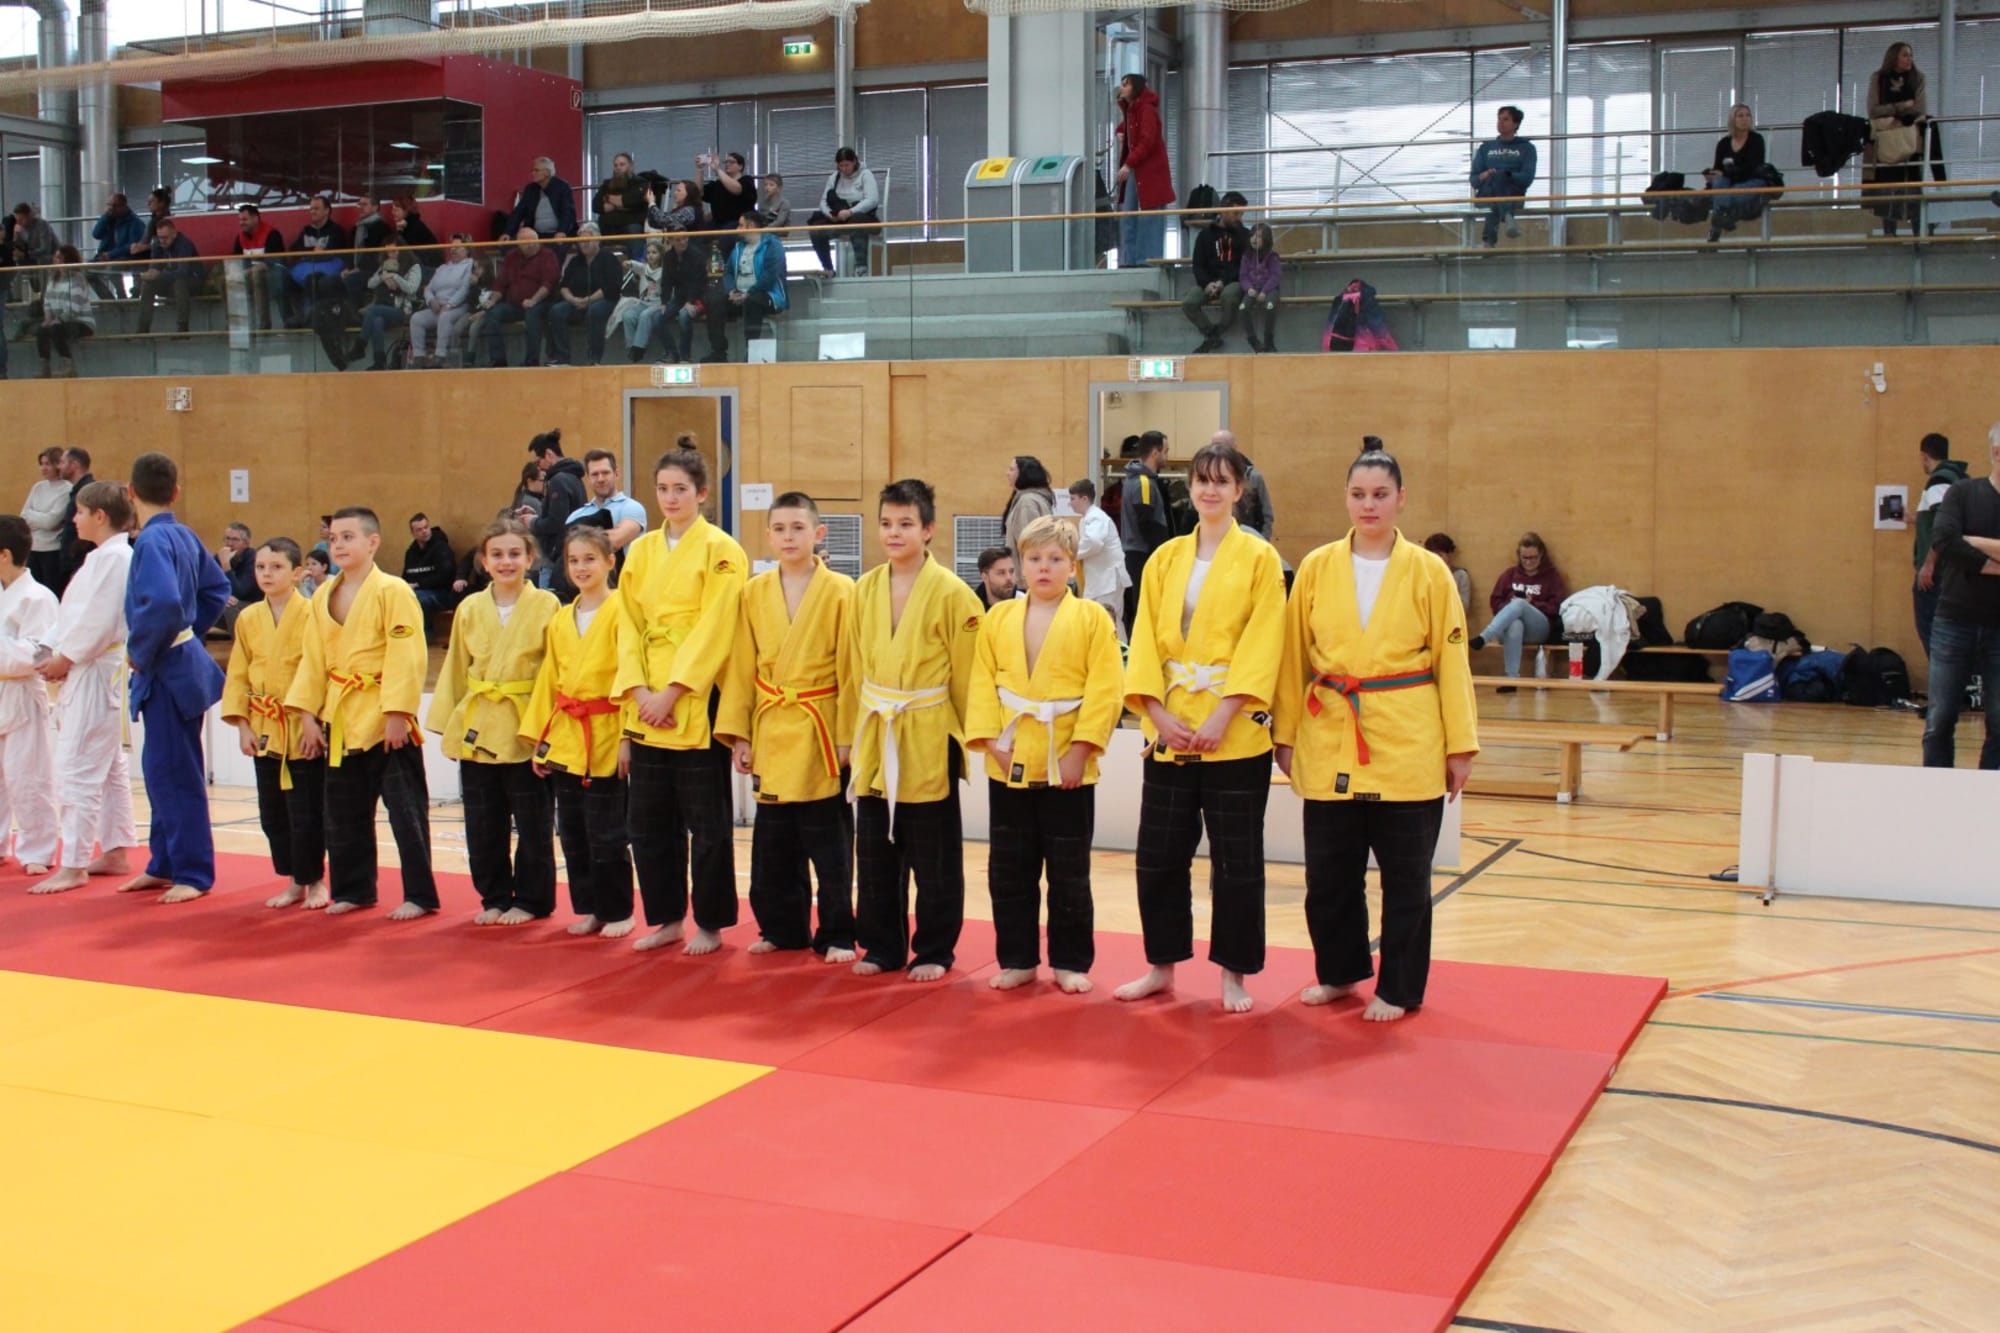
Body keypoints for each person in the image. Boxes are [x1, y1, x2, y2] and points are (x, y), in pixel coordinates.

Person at [1275, 449, 1478, 1022]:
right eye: (1359, 494)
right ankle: (1339, 973)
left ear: (1401, 499)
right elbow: (1293, 657)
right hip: (1331, 731)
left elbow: (1453, 661)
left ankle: (1400, 987)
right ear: (1346, 498)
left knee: (1406, 879)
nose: (1369, 505)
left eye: (1380, 495)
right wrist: (1285, 733)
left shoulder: (1429, 571)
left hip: (1407, 738)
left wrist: (1460, 746)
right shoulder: (1316, 567)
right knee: (1329, 876)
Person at [1114, 439, 1286, 1014]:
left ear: (1240, 491)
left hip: (1234, 733)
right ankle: (1160, 966)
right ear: (1189, 488)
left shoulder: (1260, 559)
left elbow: (1265, 641)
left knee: (1237, 860)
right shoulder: (1165, 559)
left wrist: (1224, 713)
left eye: (1221, 481)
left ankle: (1234, 973)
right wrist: (1155, 714)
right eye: (1202, 480)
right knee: (1159, 854)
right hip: (1170, 729)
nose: (1210, 490)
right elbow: (1143, 640)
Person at [965, 514, 1124, 993]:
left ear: (1073, 567)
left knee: (1069, 871)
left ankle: (1070, 962)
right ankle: (1018, 958)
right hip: (1011, 758)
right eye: (1034, 558)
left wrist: (1082, 750)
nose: (1044, 567)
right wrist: (991, 742)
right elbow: (981, 682)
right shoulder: (999, 618)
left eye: (1056, 559)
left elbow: (1106, 689)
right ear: (1020, 564)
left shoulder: (1092, 618)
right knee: (1009, 870)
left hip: (1067, 761)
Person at [846, 478, 984, 982]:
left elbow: (969, 675)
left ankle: (934, 949)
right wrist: (849, 736)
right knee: (875, 851)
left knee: (933, 855)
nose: (894, 532)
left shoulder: (953, 594)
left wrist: (968, 738)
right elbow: (852, 670)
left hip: (929, 731)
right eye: (886, 523)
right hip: (876, 728)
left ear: (928, 529)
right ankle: (882, 944)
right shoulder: (863, 589)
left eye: (905, 523)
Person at [614, 442, 749, 954]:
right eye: (662, 489)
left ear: (702, 493)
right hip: (646, 696)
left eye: (681, 489)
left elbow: (718, 626)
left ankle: (710, 923)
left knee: (706, 824)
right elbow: (627, 623)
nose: (671, 498)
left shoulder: (722, 550)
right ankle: (667, 918)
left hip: (696, 695)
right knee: (648, 822)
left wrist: (673, 691)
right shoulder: (641, 551)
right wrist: (640, 690)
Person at [715, 492, 858, 959]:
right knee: (773, 843)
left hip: (821, 727)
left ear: (818, 534)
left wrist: (847, 737)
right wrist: (740, 734)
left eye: (798, 528)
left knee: (830, 846)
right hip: (772, 725)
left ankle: (837, 933)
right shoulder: (753, 592)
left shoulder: (842, 590)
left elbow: (851, 670)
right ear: (769, 536)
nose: (789, 537)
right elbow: (741, 665)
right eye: (779, 529)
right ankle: (782, 928)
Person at [285, 506, 440, 919]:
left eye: (348, 537)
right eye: (334, 538)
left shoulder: (393, 591)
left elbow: (408, 654)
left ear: (373, 542)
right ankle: (354, 890)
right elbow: (313, 659)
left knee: (406, 813)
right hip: (340, 718)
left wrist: (398, 713)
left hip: (386, 718)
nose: (338, 545)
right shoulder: (322, 596)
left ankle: (419, 895)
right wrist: (307, 716)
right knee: (344, 812)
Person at [427, 516, 560, 925]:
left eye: (515, 554)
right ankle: (494, 896)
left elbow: (555, 673)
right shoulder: (469, 608)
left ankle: (532, 900)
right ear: (483, 562)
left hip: (527, 725)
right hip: (479, 725)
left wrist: (548, 734)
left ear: (530, 559)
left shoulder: (548, 605)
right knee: (483, 822)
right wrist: (449, 728)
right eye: (497, 554)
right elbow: (455, 668)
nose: (506, 562)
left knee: (534, 823)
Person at [116, 454, 233, 903]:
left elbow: (164, 604)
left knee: (174, 771)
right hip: (179, 661)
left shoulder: (150, 541)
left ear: (130, 492)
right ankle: (164, 862)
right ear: (176, 492)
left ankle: (193, 871)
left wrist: (142, 649)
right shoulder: (182, 534)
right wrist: (188, 633)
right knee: (161, 768)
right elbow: (217, 589)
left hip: (167, 667)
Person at [520, 525, 636, 938]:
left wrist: (627, 737)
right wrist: (541, 740)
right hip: (567, 733)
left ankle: (619, 910)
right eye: (573, 561)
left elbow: (632, 675)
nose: (581, 567)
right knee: (571, 830)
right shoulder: (561, 619)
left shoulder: (624, 611)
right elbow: (549, 680)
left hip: (607, 731)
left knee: (608, 832)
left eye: (590, 559)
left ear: (610, 562)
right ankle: (590, 907)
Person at [29, 480, 141, 896]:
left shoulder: (117, 559)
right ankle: (115, 850)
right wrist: (50, 650)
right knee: (108, 767)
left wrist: (66, 656)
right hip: (88, 665)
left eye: (78, 511)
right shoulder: (101, 558)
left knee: (76, 765)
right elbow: (72, 615)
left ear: (100, 515)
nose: (73, 519)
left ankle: (74, 863)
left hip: (96, 669)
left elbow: (100, 621)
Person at [220, 537, 327, 910]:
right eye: (261, 567)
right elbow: (238, 673)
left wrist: (312, 719)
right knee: (273, 814)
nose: (266, 574)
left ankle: (315, 881)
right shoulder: (248, 618)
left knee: (306, 811)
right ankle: (294, 880)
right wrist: (242, 725)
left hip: (300, 726)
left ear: (297, 573)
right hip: (264, 726)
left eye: (276, 567)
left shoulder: (313, 614)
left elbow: (318, 670)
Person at [1921, 422, 2000, 770]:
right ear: (1997, 453)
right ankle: (1937, 792)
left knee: (1999, 722)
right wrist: (1991, 562)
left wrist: (1974, 540)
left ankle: (1990, 792)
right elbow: (1944, 540)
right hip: (1954, 621)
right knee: (1940, 719)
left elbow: (1959, 541)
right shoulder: (1963, 492)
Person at [0, 514, 58, 876]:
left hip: (22, 693)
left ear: (4, 554)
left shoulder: (38, 597)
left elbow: (39, 654)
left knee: (28, 775)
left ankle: (38, 847)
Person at [1470, 532, 1567, 685]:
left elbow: (1557, 608)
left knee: (1520, 604)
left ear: (1541, 555)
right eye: (1524, 558)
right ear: (1519, 555)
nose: (1528, 562)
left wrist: (1532, 604)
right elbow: (1495, 603)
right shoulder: (1509, 575)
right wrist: (1510, 605)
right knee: (1515, 623)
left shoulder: (1552, 576)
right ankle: (1512, 679)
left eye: (1533, 558)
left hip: (1539, 629)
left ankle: (1485, 636)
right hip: (1508, 629)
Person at [702, 211, 787, 363]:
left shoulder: (773, 245)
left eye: (740, 225)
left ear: (751, 226)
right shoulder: (738, 247)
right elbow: (728, 272)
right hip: (739, 294)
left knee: (752, 301)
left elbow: (770, 275)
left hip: (767, 295)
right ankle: (718, 351)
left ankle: (751, 352)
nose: (737, 229)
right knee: (714, 300)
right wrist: (731, 291)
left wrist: (748, 293)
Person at [1914, 432, 1968, 658]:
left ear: (1924, 456)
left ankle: (1943, 679)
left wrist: (1929, 564)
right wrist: (1914, 518)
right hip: (1954, 570)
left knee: (1932, 631)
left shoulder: (1938, 481)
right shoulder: (1959, 479)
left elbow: (1944, 526)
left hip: (1937, 572)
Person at [1868, 43, 1929, 237]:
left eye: (1911, 55)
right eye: (1905, 55)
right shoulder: (1878, 78)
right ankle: (1889, 233)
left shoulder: (1918, 78)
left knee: (1913, 186)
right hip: (1887, 142)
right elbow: (1873, 110)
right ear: (1894, 57)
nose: (1909, 59)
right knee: (1888, 187)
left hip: (1911, 140)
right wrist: (1901, 107)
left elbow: (1920, 109)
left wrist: (1897, 117)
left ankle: (1918, 234)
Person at [1113, 73, 1174, 268]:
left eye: (1126, 85)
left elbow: (1147, 140)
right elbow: (1130, 127)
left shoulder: (1146, 110)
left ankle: (1145, 261)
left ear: (1136, 88)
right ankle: (1130, 260)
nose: (1122, 88)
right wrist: (1120, 131)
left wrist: (1128, 163)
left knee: (1148, 217)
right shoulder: (1133, 110)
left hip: (1147, 172)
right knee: (1129, 216)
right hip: (1138, 169)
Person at [546, 222, 623, 366]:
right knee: (556, 311)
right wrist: (572, 299)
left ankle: (594, 359)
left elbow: (611, 286)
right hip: (577, 301)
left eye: (587, 241)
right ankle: (562, 358)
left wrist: (589, 300)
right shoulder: (575, 261)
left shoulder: (608, 258)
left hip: (603, 300)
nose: (583, 244)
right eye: (581, 241)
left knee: (595, 311)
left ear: (597, 239)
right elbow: (564, 285)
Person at [1182, 192, 1249, 355]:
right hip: (1208, 282)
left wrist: (1222, 282)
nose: (1239, 218)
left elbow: (1244, 266)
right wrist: (1206, 284)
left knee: (1229, 296)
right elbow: (1198, 265)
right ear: (1223, 211)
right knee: (1189, 302)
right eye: (1235, 213)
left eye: (1241, 214)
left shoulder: (1245, 235)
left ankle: (1217, 332)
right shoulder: (1205, 235)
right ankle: (1211, 335)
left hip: (1233, 281)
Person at [482, 228, 559, 368]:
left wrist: (533, 300)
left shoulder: (548, 255)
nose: (531, 245)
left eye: (533, 241)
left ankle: (531, 361)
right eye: (526, 243)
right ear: (518, 244)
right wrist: (492, 300)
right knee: (492, 312)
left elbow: (548, 284)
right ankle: (498, 360)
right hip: (515, 305)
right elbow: (500, 283)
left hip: (541, 302)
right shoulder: (512, 256)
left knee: (532, 313)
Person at [1120, 431, 1174, 626]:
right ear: (1155, 453)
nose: (1167, 456)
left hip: (1138, 553)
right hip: (1141, 554)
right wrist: (1162, 555)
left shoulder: (1141, 480)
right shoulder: (1142, 483)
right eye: (1165, 451)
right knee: (1144, 607)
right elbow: (1147, 522)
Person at [527, 430, 588, 597]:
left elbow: (557, 522)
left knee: (548, 605)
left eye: (538, 461)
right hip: (568, 551)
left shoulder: (558, 480)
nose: (538, 467)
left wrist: (532, 522)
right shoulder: (574, 478)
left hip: (555, 558)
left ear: (548, 454)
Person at [1068, 479, 1131, 641]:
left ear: (1084, 499)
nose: (1070, 503)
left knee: (1108, 617)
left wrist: (1070, 553)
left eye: (1073, 498)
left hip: (1108, 579)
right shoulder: (1088, 518)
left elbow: (1094, 542)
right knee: (1101, 616)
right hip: (1102, 578)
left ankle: (1120, 651)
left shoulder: (1096, 517)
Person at [566, 450, 648, 568]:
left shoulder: (631, 507)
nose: (600, 479)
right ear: (588, 478)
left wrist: (579, 539)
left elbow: (614, 541)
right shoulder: (575, 516)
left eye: (605, 473)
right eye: (595, 474)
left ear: (616, 474)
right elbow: (566, 551)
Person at [807, 147, 881, 276]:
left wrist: (850, 212)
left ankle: (861, 267)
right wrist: (830, 214)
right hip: (838, 218)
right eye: (841, 166)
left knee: (856, 223)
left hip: (861, 217)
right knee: (816, 229)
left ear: (854, 162)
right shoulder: (834, 177)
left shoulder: (866, 175)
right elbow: (823, 202)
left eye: (847, 165)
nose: (844, 169)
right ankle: (828, 269)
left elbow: (872, 200)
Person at [1472, 106, 1537, 248]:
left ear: (1516, 124)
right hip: (1486, 193)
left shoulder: (1527, 148)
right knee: (1495, 181)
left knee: (1499, 181)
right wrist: (1486, 174)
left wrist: (1507, 175)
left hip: (1512, 195)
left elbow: (1527, 178)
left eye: (1506, 119)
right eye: (1499, 119)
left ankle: (1488, 242)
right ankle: (1507, 216)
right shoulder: (1485, 148)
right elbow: (1474, 180)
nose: (1500, 123)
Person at [1704, 105, 1770, 243]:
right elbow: (1718, 168)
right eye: (1740, 116)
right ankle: (1723, 217)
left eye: (1747, 115)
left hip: (1751, 181)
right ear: (1732, 120)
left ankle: (1716, 228)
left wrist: (1726, 173)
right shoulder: (1723, 143)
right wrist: (1712, 176)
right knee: (1719, 182)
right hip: (1728, 183)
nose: (1745, 119)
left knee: (1726, 193)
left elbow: (1752, 169)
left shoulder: (1756, 140)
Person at [409, 234, 476, 369]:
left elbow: (464, 289)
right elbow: (428, 288)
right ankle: (418, 357)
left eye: (458, 247)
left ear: (467, 250)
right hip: (437, 307)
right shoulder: (442, 268)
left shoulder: (470, 265)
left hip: (459, 307)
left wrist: (450, 304)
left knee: (445, 316)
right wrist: (431, 300)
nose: (453, 250)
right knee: (416, 318)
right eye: (452, 247)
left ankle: (440, 355)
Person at [360, 235, 422, 371]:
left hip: (403, 309)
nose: (391, 255)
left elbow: (411, 288)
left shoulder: (414, 267)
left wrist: (395, 276)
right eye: (388, 252)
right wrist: (382, 276)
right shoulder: (385, 265)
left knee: (372, 310)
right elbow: (370, 284)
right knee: (377, 321)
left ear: (402, 250)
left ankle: (360, 345)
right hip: (386, 306)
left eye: (394, 251)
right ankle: (379, 362)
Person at [135, 217, 201, 335]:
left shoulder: (185, 244)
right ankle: (142, 329)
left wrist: (159, 275)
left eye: (165, 238)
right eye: (160, 237)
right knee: (147, 285)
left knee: (179, 283)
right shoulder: (157, 243)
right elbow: (155, 265)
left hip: (192, 281)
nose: (162, 241)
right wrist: (150, 274)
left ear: (174, 234)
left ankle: (182, 328)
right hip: (169, 281)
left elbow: (183, 272)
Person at [36, 246, 94, 379]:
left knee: (56, 329)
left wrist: (59, 319)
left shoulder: (77, 279)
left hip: (80, 322)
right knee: (42, 330)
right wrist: (48, 318)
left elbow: (74, 306)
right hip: (58, 320)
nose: (55, 260)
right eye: (55, 257)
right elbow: (47, 300)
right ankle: (45, 367)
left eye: (59, 258)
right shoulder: (53, 278)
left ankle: (68, 366)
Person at [229, 203, 288, 331]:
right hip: (249, 274)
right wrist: (233, 272)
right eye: (240, 220)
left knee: (257, 276)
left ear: (256, 218)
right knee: (226, 281)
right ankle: (235, 326)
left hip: (273, 274)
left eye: (245, 219)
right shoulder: (240, 237)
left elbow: (270, 263)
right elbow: (235, 260)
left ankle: (264, 326)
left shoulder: (272, 234)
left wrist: (244, 273)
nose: (241, 223)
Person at [21, 447, 70, 593]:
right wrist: (42, 518)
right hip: (33, 548)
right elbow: (24, 515)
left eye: (48, 464)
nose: (43, 468)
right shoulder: (38, 487)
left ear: (57, 464)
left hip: (52, 551)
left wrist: (34, 517)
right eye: (41, 464)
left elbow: (51, 522)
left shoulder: (66, 489)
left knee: (51, 591)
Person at [660, 226, 711, 364]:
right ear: (671, 241)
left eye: (685, 238)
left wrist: (690, 301)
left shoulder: (697, 255)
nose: (682, 242)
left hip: (699, 297)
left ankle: (685, 356)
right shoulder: (668, 257)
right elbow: (666, 281)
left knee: (684, 315)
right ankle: (672, 353)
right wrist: (664, 302)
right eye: (678, 240)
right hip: (680, 297)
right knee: (659, 318)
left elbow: (699, 282)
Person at [611, 237, 665, 363]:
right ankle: (631, 348)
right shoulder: (644, 268)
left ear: (661, 255)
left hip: (657, 304)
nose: (650, 255)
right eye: (648, 252)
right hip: (643, 302)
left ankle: (639, 348)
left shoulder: (664, 271)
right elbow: (636, 265)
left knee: (645, 316)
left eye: (654, 252)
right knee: (627, 315)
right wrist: (629, 263)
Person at [401, 513, 458, 632]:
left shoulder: (441, 548)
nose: (424, 531)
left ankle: (424, 636)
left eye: (426, 527)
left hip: (443, 593)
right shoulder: (411, 553)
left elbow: (445, 577)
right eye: (419, 529)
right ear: (413, 533)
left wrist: (417, 584)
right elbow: (406, 576)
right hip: (418, 592)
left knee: (419, 600)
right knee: (399, 597)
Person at [89, 192, 146, 298]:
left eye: (115, 206)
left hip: (126, 257)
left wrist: (110, 254)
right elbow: (96, 234)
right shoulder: (109, 219)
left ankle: (121, 296)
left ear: (124, 206)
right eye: (109, 205)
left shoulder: (134, 222)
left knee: (112, 269)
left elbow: (132, 246)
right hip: (107, 256)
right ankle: (108, 300)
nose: (111, 209)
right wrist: (105, 218)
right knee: (86, 271)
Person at [1002, 456, 1055, 564]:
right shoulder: (1032, 498)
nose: (1007, 473)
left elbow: (1030, 545)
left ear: (1023, 474)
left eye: (1012, 469)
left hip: (1026, 571)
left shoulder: (1027, 502)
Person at [510, 157, 578, 240]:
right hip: (535, 235)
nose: (533, 173)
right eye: (532, 170)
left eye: (536, 170)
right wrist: (507, 232)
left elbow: (567, 212)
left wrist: (562, 231)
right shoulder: (530, 189)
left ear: (547, 173)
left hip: (558, 234)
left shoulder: (562, 187)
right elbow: (518, 212)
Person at [1239, 222, 1282, 354]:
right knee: (1243, 308)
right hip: (1252, 290)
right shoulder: (1246, 256)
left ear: (1266, 239)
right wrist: (1249, 289)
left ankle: (1268, 340)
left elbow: (1275, 276)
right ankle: (1253, 339)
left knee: (1270, 306)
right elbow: (1243, 276)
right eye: (1252, 235)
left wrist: (1264, 291)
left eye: (1258, 236)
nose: (1254, 239)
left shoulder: (1272, 256)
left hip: (1269, 289)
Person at [57, 447, 95, 587]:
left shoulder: (87, 491)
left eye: (62, 462)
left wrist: (78, 565)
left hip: (79, 563)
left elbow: (89, 532)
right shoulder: (78, 490)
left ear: (74, 465)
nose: (59, 467)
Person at [214, 521, 260, 637]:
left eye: (235, 539)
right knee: (198, 603)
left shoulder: (254, 559)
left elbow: (239, 592)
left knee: (229, 607)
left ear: (246, 543)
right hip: (228, 605)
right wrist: (221, 596)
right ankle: (199, 646)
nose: (229, 543)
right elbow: (206, 584)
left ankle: (240, 645)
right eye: (227, 539)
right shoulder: (219, 557)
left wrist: (226, 565)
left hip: (254, 607)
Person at [594, 151, 649, 248]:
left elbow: (633, 201)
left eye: (622, 164)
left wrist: (609, 200)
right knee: (591, 229)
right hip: (609, 226)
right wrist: (621, 204)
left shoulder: (640, 183)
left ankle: (637, 258)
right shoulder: (607, 184)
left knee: (634, 229)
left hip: (631, 225)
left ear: (631, 166)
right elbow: (595, 206)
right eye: (615, 165)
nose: (618, 168)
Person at [697, 150, 754, 232]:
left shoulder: (747, 181)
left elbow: (737, 189)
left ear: (740, 166)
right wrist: (699, 170)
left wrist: (717, 169)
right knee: (698, 233)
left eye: (731, 162)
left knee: (726, 233)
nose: (727, 164)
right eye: (726, 162)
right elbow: (698, 192)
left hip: (738, 223)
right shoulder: (718, 184)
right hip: (717, 224)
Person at [1423, 532, 1475, 615]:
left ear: (1449, 554)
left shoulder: (1460, 575)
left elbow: (1464, 607)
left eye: (1440, 555)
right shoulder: (1423, 575)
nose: (1436, 559)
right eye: (1432, 555)